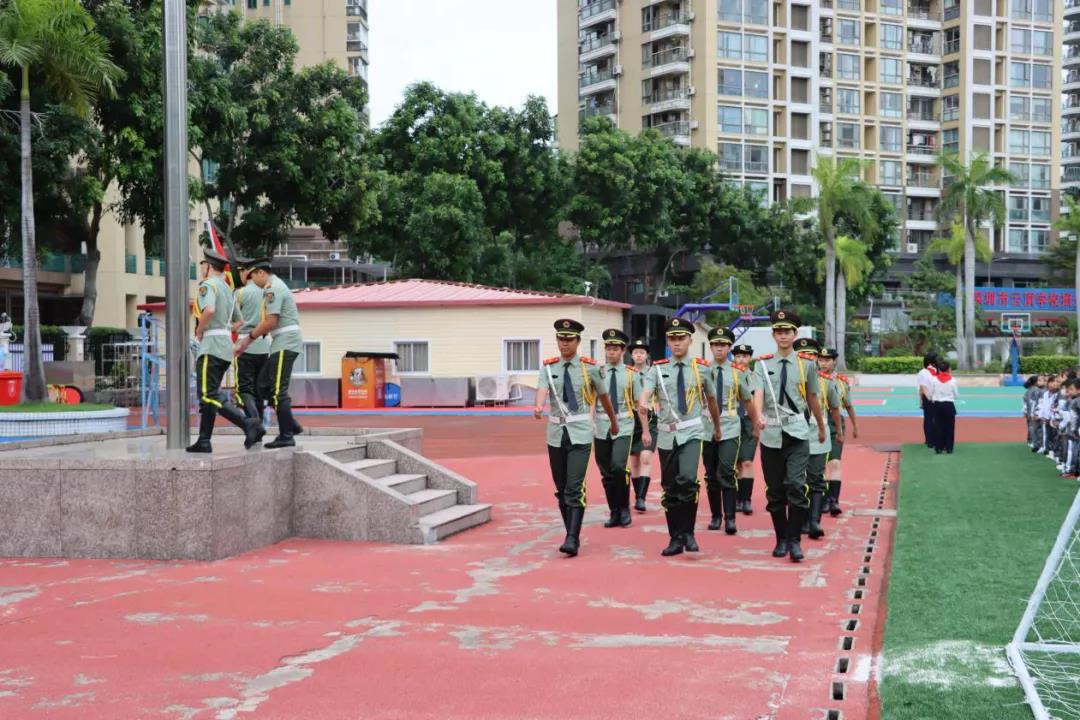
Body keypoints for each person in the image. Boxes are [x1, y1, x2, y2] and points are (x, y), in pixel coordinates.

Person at [533, 319, 620, 557]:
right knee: (561, 489)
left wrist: (613, 422)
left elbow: (604, 397)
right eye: (561, 338)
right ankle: (570, 531)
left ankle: (572, 537)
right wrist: (539, 406)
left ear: (578, 341)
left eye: (569, 339)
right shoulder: (548, 368)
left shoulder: (589, 368)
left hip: (580, 434)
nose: (565, 343)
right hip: (556, 435)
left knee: (574, 486)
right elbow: (542, 389)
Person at [637, 317, 722, 557]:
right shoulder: (657, 369)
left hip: (693, 432)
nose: (676, 343)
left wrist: (716, 427)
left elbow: (712, 402)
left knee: (687, 479)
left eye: (681, 338)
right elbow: (646, 393)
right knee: (671, 487)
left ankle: (689, 533)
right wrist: (643, 403)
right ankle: (675, 537)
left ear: (690, 340)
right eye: (672, 338)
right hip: (666, 436)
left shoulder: (702, 368)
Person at [753, 310, 826, 563]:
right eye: (778, 331)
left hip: (796, 433)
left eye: (787, 331)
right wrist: (758, 416)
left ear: (795, 334)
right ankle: (780, 538)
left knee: (796, 486)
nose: (783, 335)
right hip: (771, 434)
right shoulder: (761, 364)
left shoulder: (806, 364)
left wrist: (820, 425)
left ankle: (795, 540)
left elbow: (813, 397)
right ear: (773, 335)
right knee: (775, 492)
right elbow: (758, 391)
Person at [187, 248, 265, 453]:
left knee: (208, 394)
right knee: (210, 398)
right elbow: (239, 322)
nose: (202, 268)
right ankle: (204, 440)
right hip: (224, 349)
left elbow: (209, 310)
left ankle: (247, 423)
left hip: (211, 347)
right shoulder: (228, 289)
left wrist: (200, 329)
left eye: (203, 265)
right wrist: (223, 330)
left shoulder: (208, 285)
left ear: (208, 267)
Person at [234, 257, 304, 448]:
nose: (252, 281)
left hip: (285, 342)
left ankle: (287, 435)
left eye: (252, 276)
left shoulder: (273, 288)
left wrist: (249, 338)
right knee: (263, 387)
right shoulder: (271, 287)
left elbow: (271, 321)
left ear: (261, 273)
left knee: (278, 391)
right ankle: (292, 424)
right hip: (279, 343)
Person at [701, 327, 756, 534]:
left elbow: (747, 399)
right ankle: (716, 516)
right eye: (715, 345)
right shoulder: (702, 370)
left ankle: (730, 518)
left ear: (729, 347)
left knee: (726, 471)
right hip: (706, 427)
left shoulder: (737, 372)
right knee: (711, 473)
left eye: (723, 345)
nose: (719, 348)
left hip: (730, 425)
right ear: (711, 347)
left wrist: (755, 422)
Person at [794, 338, 841, 540]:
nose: (807, 359)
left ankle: (813, 522)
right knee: (796, 481)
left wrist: (838, 431)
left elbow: (835, 408)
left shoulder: (826, 382)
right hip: (794, 434)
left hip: (817, 436)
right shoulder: (788, 379)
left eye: (811, 356)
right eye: (802, 355)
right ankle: (801, 518)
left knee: (815, 478)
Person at [593, 328, 639, 529]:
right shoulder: (598, 373)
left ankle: (624, 508)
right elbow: (590, 400)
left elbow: (638, 402)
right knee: (606, 471)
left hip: (624, 425)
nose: (611, 352)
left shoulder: (631, 374)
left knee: (618, 466)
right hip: (601, 425)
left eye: (615, 349)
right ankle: (614, 511)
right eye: (608, 348)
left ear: (623, 351)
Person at [818, 347, 858, 516]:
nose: (824, 363)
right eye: (821, 359)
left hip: (835, 425)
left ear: (834, 361)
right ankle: (822, 499)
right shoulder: (812, 379)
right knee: (820, 465)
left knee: (834, 463)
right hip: (816, 423)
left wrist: (855, 426)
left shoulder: (841, 381)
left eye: (827, 360)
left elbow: (848, 405)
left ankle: (833, 500)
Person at [230, 256, 271, 421]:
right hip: (263, 346)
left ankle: (253, 425)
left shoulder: (239, 293)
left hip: (244, 346)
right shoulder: (267, 293)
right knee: (259, 390)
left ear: (245, 272)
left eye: (241, 271)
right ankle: (259, 425)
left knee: (244, 390)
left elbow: (233, 321)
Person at [628, 338, 658, 512]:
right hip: (632, 417)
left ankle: (641, 497)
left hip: (650, 416)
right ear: (631, 355)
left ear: (647, 355)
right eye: (635, 352)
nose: (639, 355)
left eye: (642, 352)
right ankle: (637, 493)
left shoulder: (654, 372)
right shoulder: (627, 373)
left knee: (646, 456)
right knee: (634, 460)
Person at [731, 342, 760, 515]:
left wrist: (757, 422)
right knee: (735, 463)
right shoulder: (728, 375)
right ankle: (735, 499)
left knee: (747, 461)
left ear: (750, 358)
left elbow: (757, 400)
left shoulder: (756, 377)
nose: (741, 359)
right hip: (732, 419)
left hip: (749, 420)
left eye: (745, 356)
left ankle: (746, 499)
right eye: (738, 356)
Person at [928, 358, 958, 454]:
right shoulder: (953, 380)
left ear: (939, 369)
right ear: (948, 369)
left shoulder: (934, 379)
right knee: (950, 427)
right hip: (949, 405)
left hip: (937, 405)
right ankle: (949, 447)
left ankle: (938, 447)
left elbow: (930, 392)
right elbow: (956, 394)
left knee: (938, 426)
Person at [917, 353, 939, 449]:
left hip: (936, 398)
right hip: (929, 398)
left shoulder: (936, 371)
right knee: (929, 419)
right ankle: (930, 440)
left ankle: (934, 439)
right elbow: (922, 387)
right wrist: (923, 399)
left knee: (934, 419)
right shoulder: (924, 372)